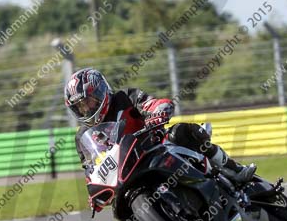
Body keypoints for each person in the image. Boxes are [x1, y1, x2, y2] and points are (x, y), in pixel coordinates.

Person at [64, 67, 256, 191]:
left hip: (156, 147)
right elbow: (90, 169)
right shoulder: (82, 137)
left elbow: (153, 103)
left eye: (88, 101)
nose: (86, 109)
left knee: (180, 132)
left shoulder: (125, 98)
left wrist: (158, 112)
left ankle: (233, 169)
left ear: (101, 91)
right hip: (127, 172)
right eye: (80, 107)